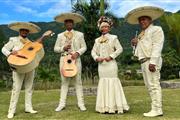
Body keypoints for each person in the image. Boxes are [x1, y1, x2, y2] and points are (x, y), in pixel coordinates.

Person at [125, 6, 164, 117]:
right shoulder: (142, 33)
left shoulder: (156, 29)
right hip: (143, 61)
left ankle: (157, 109)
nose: (142, 21)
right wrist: (134, 44)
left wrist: (153, 62)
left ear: (150, 20)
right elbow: (138, 51)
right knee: (149, 86)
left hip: (150, 61)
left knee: (154, 85)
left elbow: (157, 46)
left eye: (144, 19)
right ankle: (155, 108)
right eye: (140, 20)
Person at [1, 22, 45, 118]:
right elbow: (3, 49)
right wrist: (10, 54)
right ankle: (11, 111)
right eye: (23, 30)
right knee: (16, 88)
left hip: (30, 66)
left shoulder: (30, 43)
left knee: (29, 88)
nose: (24, 31)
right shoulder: (13, 40)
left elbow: (36, 50)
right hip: (18, 67)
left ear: (28, 32)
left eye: (26, 30)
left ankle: (28, 108)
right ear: (20, 31)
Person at [91, 16, 129, 114]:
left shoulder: (114, 38)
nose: (104, 28)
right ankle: (104, 107)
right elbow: (93, 52)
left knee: (113, 83)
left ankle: (115, 107)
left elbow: (120, 49)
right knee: (103, 82)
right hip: (101, 66)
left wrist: (111, 56)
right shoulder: (96, 40)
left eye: (106, 26)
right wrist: (96, 58)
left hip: (111, 65)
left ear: (109, 28)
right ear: (100, 28)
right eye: (102, 27)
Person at [54, 13, 87, 111]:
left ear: (73, 24)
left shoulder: (80, 34)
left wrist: (78, 52)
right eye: (67, 23)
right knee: (64, 83)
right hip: (64, 60)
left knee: (78, 82)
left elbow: (84, 47)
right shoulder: (60, 36)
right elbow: (55, 49)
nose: (69, 24)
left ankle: (81, 104)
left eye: (70, 22)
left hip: (76, 59)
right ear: (64, 24)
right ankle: (62, 104)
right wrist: (62, 48)